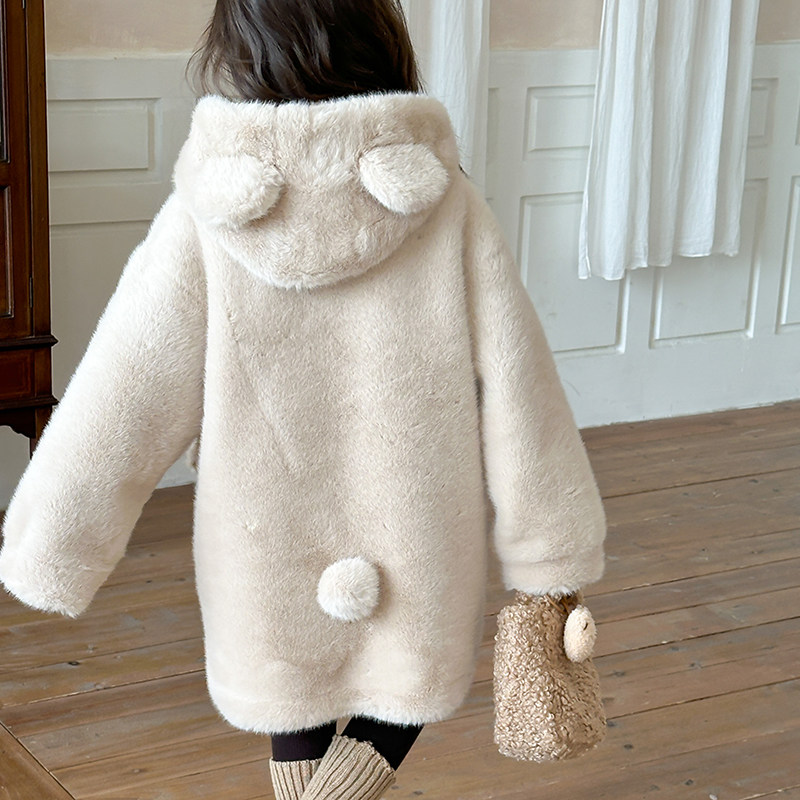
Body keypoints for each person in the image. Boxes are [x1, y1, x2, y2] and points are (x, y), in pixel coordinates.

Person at [0, 1, 607, 798]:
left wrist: (54, 540)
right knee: (403, 677)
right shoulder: (445, 202)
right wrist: (551, 551)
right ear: (382, 42)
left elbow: (126, 390)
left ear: (241, 54)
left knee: (291, 684)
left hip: (262, 533)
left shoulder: (211, 210)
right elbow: (523, 391)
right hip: (415, 528)